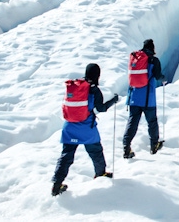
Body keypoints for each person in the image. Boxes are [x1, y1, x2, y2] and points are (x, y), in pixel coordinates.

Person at [52, 63, 119, 196]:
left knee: (66, 156)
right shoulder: (94, 90)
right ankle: (100, 173)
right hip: (85, 127)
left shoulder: (76, 86)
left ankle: (57, 183)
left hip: (69, 126)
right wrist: (114, 101)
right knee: (96, 151)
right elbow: (101, 109)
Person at [122, 39, 166, 159]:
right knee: (152, 122)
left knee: (132, 122)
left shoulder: (135, 58)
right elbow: (157, 76)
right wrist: (163, 78)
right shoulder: (153, 60)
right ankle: (154, 145)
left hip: (134, 96)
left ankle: (126, 146)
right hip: (147, 98)